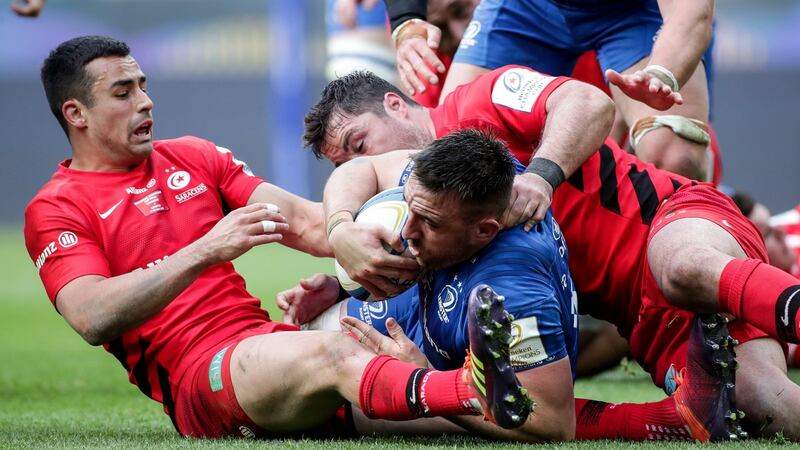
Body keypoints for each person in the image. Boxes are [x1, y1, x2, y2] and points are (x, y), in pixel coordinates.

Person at [23, 35, 533, 439]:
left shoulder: (193, 157)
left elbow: (309, 224)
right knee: (339, 352)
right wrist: (206, 250)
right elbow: (92, 316)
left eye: (142, 85)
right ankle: (467, 387)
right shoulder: (56, 207)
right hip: (205, 378)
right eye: (123, 92)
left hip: (270, 347)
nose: (146, 101)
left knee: (517, 424)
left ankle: (601, 415)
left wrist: (385, 232)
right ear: (76, 114)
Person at [303, 70, 800, 439]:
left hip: (672, 222)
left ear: (396, 104)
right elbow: (355, 187)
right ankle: (674, 418)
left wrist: (542, 175)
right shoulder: (429, 201)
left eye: (359, 143)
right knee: (766, 406)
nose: (363, 162)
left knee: (680, 269)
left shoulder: (476, 103)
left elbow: (588, 102)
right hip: (642, 320)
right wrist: (352, 264)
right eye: (347, 159)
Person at [386, 0, 716, 182]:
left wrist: (661, 72)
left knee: (676, 156)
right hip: (526, 7)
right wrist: (406, 19)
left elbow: (693, 11)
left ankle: (698, 278)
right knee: (451, 150)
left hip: (632, 13)